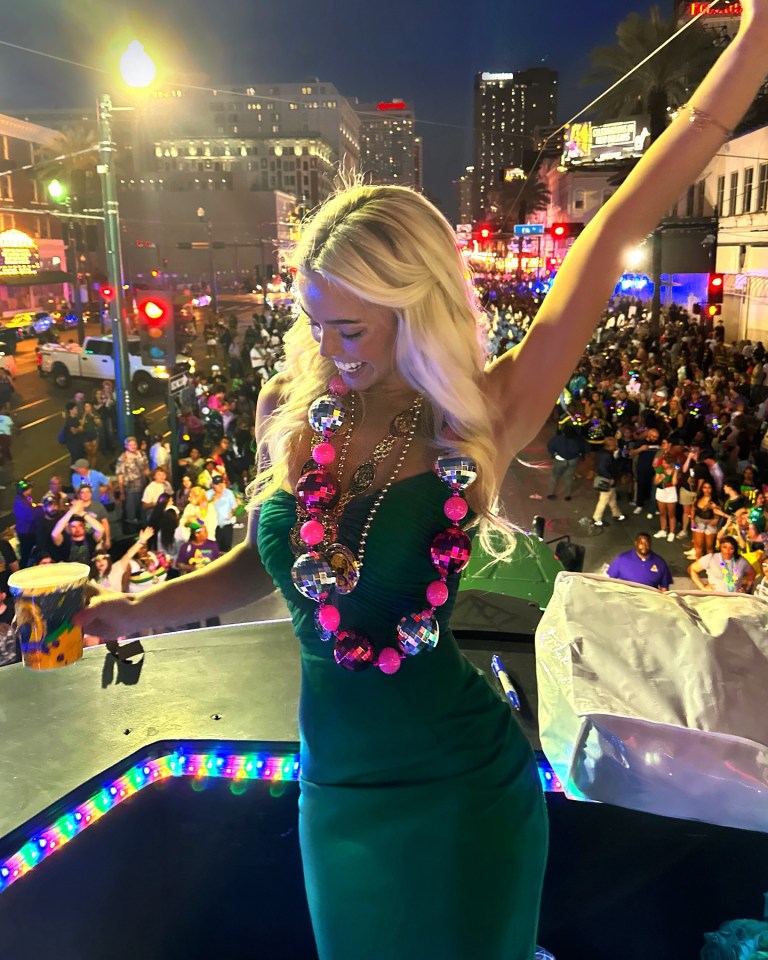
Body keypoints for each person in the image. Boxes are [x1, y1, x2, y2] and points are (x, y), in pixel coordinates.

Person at [76, 19, 768, 955]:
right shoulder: (291, 403)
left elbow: (611, 233)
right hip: (340, 796)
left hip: (466, 787)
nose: (329, 348)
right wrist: (134, 613)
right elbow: (266, 566)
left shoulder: (481, 412)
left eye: (352, 329)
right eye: (316, 321)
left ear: (415, 309)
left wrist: (750, 49)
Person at [606, 532, 673, 592]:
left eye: (646, 543)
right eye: (641, 543)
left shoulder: (660, 562)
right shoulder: (622, 559)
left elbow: (664, 588)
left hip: (649, 598)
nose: (644, 546)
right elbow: (610, 580)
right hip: (626, 598)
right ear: (636, 543)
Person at [688, 536, 755, 593]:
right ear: (720, 547)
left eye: (731, 548)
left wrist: (746, 588)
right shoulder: (711, 558)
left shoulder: (741, 561)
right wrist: (702, 587)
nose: (727, 551)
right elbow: (692, 569)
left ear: (735, 549)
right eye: (724, 547)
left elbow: (752, 573)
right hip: (715, 597)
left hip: (735, 598)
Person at [116, 435, 150, 533]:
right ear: (126, 446)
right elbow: (120, 476)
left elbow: (146, 469)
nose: (133, 446)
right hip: (130, 489)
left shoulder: (142, 454)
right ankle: (132, 531)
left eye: (134, 444)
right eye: (130, 445)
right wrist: (121, 492)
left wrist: (151, 481)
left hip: (143, 487)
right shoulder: (123, 458)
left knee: (143, 510)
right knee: (131, 511)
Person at [546, 420, 586, 500]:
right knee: (568, 478)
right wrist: (581, 455)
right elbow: (585, 448)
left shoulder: (557, 439)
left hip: (559, 460)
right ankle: (567, 495)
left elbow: (550, 446)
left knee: (555, 477)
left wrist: (553, 454)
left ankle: (551, 493)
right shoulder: (579, 440)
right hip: (573, 460)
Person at [592, 436, 626, 526]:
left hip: (608, 480)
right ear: (610, 446)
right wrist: (610, 478)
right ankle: (596, 518)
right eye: (615, 445)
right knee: (604, 500)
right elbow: (602, 468)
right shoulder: (607, 455)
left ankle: (616, 514)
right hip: (607, 481)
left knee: (612, 498)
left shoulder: (603, 453)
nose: (616, 447)